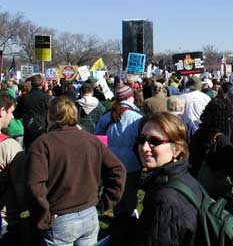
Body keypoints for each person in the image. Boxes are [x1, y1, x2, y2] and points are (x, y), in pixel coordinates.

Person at [27, 96, 126, 246]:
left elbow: (34, 185)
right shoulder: (90, 140)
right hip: (81, 215)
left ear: (50, 116)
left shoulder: (42, 144)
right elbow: (35, 185)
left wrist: (104, 203)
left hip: (70, 216)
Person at [127, 112, 205, 245]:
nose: (145, 148)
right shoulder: (185, 177)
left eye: (154, 141)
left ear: (176, 149)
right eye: (141, 140)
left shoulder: (164, 200)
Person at [95, 83, 143, 219]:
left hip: (111, 161)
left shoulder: (106, 117)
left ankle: (119, 216)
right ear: (130, 98)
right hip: (132, 162)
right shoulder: (138, 118)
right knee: (130, 192)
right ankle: (128, 216)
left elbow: (99, 140)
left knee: (115, 190)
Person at [0, 92, 26, 244]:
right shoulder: (9, 147)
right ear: (2, 111)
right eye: (10, 112)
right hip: (5, 220)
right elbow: (20, 185)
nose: (12, 117)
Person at [14, 74, 52, 150]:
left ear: (31, 83)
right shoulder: (48, 98)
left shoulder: (25, 97)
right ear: (43, 83)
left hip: (29, 131)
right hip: (43, 130)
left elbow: (17, 114)